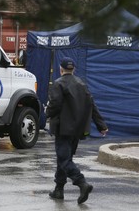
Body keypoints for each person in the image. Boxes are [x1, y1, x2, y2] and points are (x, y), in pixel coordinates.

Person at [45, 57, 108, 204]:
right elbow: (91, 105)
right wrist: (102, 125)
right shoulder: (82, 84)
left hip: (63, 128)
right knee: (65, 159)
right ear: (73, 70)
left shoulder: (58, 84)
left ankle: (82, 183)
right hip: (77, 130)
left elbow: (54, 106)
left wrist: (47, 113)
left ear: (61, 69)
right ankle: (58, 190)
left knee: (63, 159)